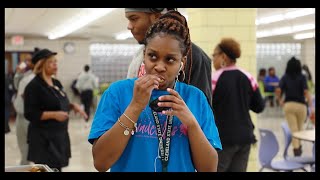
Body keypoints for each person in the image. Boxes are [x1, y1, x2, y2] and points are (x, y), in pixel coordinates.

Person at [89, 10, 222, 172]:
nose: (159, 66)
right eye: (152, 56)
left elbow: (209, 168)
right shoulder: (117, 93)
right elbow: (101, 163)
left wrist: (191, 124)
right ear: (144, 55)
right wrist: (135, 107)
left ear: (182, 62)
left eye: (170, 59)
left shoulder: (195, 97)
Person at [125, 8, 213, 106]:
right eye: (152, 56)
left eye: (134, 19)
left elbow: (201, 110)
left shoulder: (195, 56)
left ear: (156, 17)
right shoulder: (139, 55)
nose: (129, 26)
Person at [24, 48, 88, 171]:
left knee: (57, 168)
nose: (55, 65)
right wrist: (53, 115)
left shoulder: (55, 82)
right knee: (46, 168)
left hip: (59, 136)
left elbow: (57, 101)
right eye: (51, 62)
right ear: (41, 65)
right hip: (43, 139)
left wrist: (71, 106)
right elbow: (30, 113)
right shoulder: (34, 86)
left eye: (55, 62)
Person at [211, 38, 265, 172]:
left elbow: (205, 107)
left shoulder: (214, 78)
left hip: (222, 139)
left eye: (214, 55)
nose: (213, 59)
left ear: (223, 56)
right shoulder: (248, 77)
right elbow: (259, 106)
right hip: (245, 137)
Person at [275, 57, 313, 157]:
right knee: (299, 129)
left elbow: (278, 90)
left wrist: (280, 101)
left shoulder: (285, 77)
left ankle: (297, 150)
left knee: (293, 129)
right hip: (301, 106)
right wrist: (311, 106)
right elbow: (306, 92)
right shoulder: (302, 77)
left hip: (289, 105)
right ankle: (298, 149)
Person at [13, 50, 37, 165]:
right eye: (25, 60)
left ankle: (27, 165)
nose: (26, 62)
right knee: (22, 143)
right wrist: (18, 72)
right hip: (19, 115)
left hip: (29, 116)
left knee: (30, 145)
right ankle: (24, 163)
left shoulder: (37, 77)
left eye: (29, 60)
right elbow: (17, 86)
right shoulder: (25, 75)